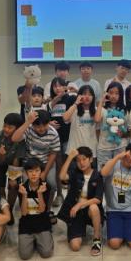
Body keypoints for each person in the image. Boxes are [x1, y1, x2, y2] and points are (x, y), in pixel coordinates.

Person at [12, 110, 60, 219]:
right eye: (37, 126)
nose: (41, 128)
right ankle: (28, 210)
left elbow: (53, 154)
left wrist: (45, 172)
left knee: (52, 184)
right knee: (26, 184)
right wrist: (28, 122)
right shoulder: (29, 129)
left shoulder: (53, 133)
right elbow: (14, 138)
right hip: (30, 163)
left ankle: (47, 210)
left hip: (46, 163)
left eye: (44, 125)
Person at [101, 142, 131, 250]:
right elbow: (103, 173)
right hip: (113, 210)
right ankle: (118, 228)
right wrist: (117, 157)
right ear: (126, 151)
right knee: (114, 244)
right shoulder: (113, 163)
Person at [58, 147, 104, 256]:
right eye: (78, 160)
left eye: (84, 159)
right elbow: (62, 176)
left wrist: (80, 204)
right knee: (75, 246)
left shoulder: (97, 175)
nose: (81, 163)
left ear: (90, 159)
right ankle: (77, 227)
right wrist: (69, 158)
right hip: (75, 212)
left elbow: (98, 199)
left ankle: (96, 239)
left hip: (88, 209)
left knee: (94, 207)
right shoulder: (75, 173)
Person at [18, 158, 54, 260]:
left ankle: (44, 238)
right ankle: (34, 241)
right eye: (30, 171)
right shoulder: (22, 188)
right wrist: (24, 195)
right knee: (24, 255)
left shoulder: (46, 187)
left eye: (37, 171)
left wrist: (39, 194)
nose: (34, 174)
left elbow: (42, 210)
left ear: (41, 172)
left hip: (42, 222)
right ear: (26, 173)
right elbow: (24, 213)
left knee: (46, 253)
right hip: (26, 224)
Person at [48, 77, 76, 205]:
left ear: (65, 87)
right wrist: (49, 123)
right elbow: (43, 117)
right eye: (55, 86)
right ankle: (59, 194)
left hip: (68, 138)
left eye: (60, 85)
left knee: (69, 167)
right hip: (54, 139)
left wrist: (75, 91)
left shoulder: (70, 99)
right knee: (58, 167)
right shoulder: (50, 101)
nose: (57, 88)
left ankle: (71, 195)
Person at [0, 113, 27, 215]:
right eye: (5, 126)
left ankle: (10, 209)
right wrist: (2, 155)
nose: (6, 129)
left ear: (18, 128)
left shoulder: (21, 139)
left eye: (10, 127)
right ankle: (3, 207)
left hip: (14, 163)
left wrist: (13, 177)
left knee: (13, 185)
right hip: (0, 162)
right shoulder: (0, 136)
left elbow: (16, 160)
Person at [95, 82, 129, 168]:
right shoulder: (102, 109)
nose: (113, 96)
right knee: (103, 173)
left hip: (120, 147)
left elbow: (128, 130)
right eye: (111, 92)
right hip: (104, 148)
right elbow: (97, 119)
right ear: (107, 93)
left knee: (119, 173)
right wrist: (101, 102)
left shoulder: (124, 110)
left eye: (117, 93)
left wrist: (122, 134)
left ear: (121, 95)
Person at [64, 85, 98, 156]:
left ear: (93, 97)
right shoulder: (74, 109)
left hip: (91, 151)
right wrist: (76, 103)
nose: (87, 97)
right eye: (84, 94)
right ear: (79, 96)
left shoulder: (96, 110)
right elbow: (65, 118)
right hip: (74, 150)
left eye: (90, 94)